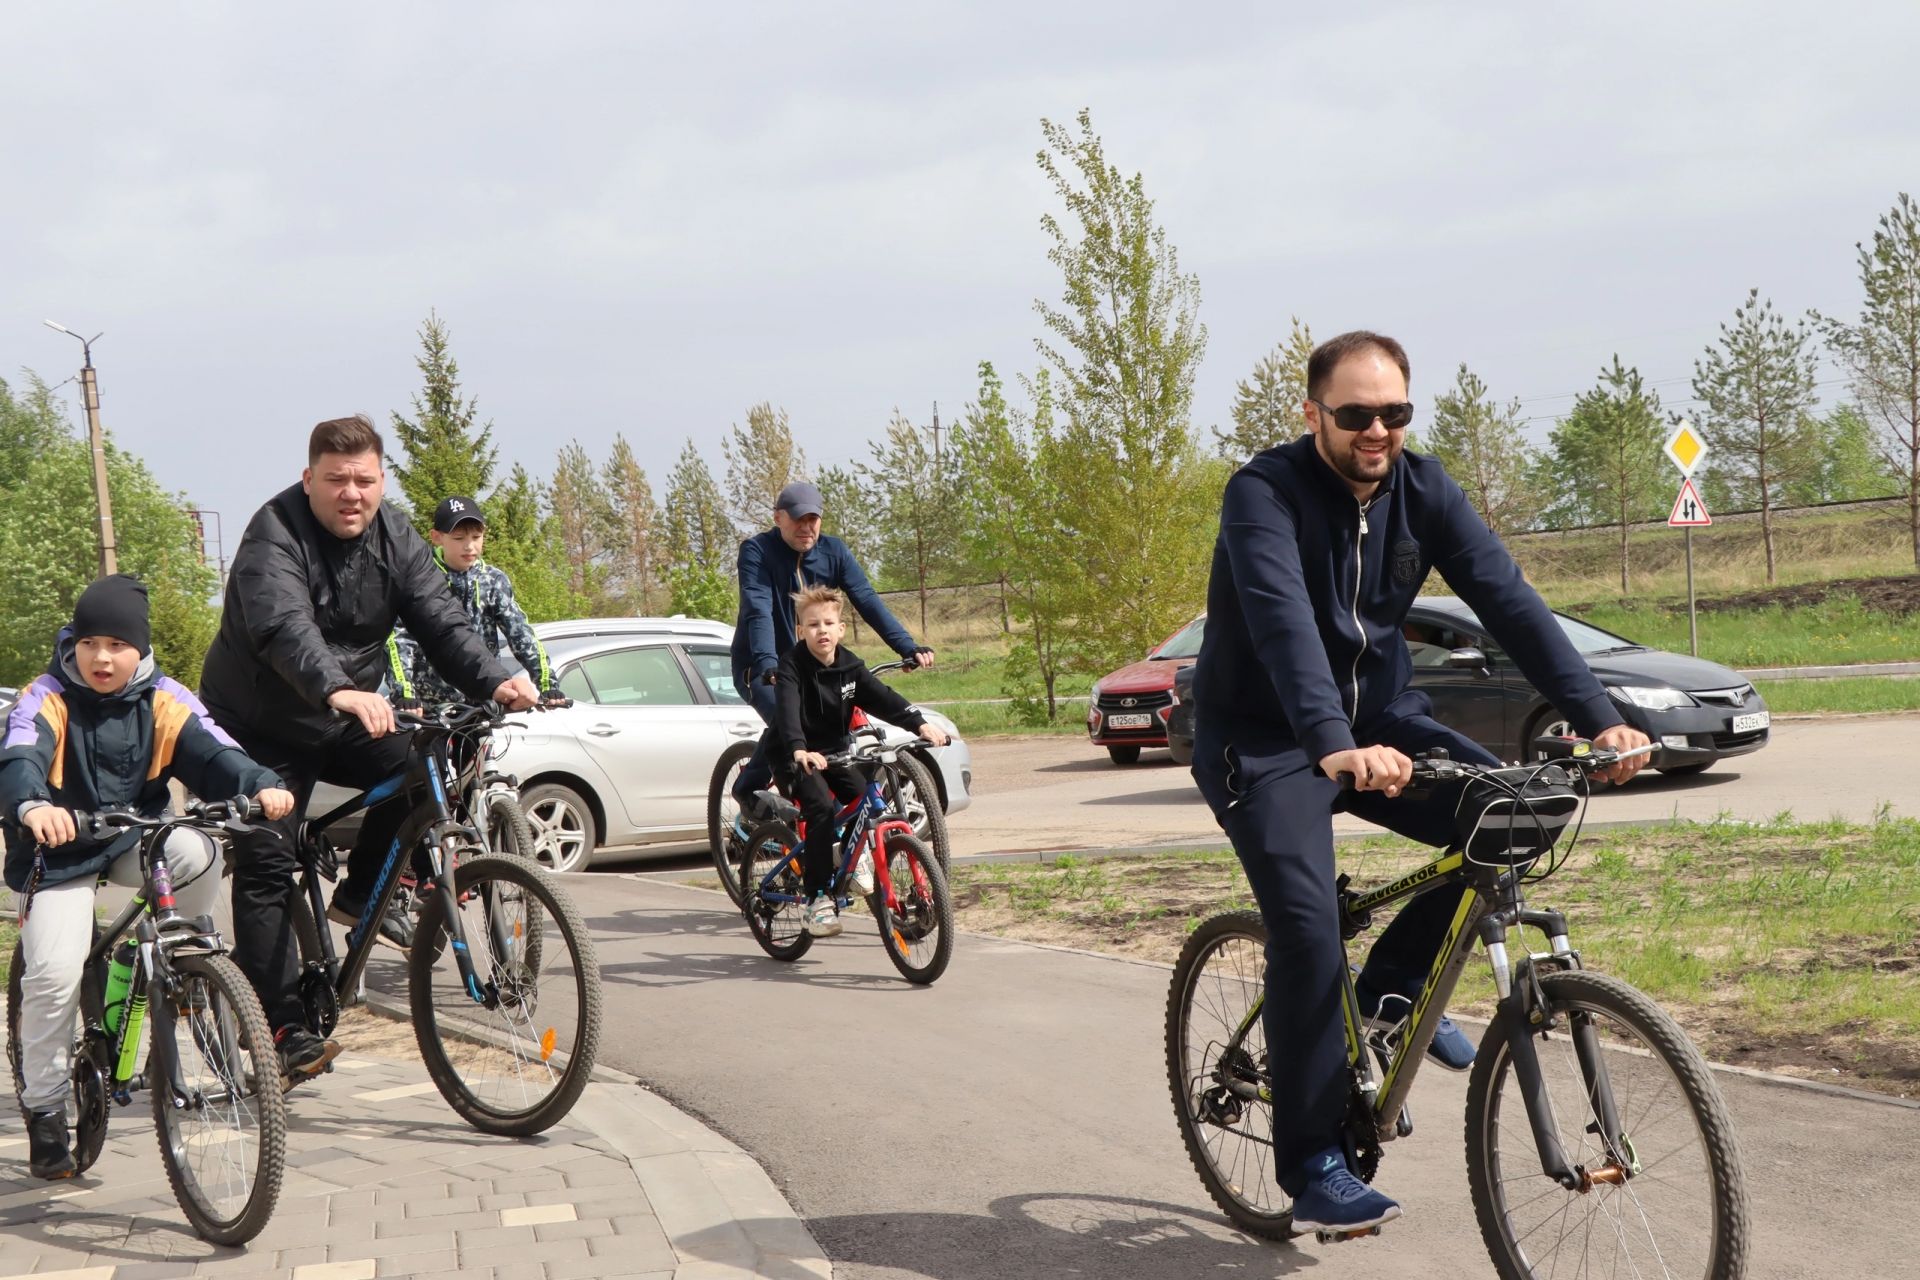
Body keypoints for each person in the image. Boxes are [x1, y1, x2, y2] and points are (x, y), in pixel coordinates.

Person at [1189, 331, 1650, 1237]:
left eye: (1394, 413)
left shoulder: (1423, 487)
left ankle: (1388, 993)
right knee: (1309, 927)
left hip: (1381, 721)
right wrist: (1329, 742)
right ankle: (1315, 1159)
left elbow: (1509, 600)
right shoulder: (1263, 494)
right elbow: (1283, 627)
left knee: (1521, 813)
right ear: (1312, 412)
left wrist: (1599, 714)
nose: (1377, 432)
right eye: (1356, 414)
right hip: (1267, 739)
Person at [199, 415, 539, 1082]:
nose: (350, 493)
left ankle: (358, 898)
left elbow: (440, 618)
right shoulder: (274, 536)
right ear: (310, 480)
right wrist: (337, 688)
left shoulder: (395, 536)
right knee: (269, 858)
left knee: (429, 763)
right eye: (336, 480)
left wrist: (497, 676)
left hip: (342, 710)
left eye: (364, 480)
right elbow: (283, 626)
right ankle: (285, 1028)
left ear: (381, 481)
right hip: (260, 723)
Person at [3, 575, 294, 1179]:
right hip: (58, 851)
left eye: (116, 643)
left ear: (140, 648)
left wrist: (260, 783)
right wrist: (34, 806)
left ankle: (163, 958)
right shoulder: (46, 696)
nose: (101, 657)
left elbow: (216, 751)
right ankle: (47, 1108)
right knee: (54, 974)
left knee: (199, 851)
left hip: (137, 834)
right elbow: (19, 754)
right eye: (89, 642)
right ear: (74, 644)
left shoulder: (165, 697)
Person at [729, 480, 935, 811]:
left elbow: (866, 599)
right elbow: (758, 610)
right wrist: (768, 662)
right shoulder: (757, 552)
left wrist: (906, 647)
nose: (807, 527)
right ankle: (748, 788)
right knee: (789, 718)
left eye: (813, 519)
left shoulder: (833, 551)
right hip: (762, 666)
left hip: (818, 665)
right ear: (779, 517)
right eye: (798, 519)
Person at [771, 585, 949, 937]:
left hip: (836, 752)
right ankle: (817, 898)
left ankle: (849, 862)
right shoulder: (791, 666)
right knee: (821, 808)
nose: (821, 630)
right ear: (801, 631)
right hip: (796, 755)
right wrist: (799, 749)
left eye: (828, 623)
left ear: (840, 629)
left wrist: (921, 723)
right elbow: (788, 711)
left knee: (865, 798)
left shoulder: (850, 666)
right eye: (812, 625)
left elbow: (884, 698)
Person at [385, 495, 560, 705]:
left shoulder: (493, 580)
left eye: (476, 537)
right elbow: (399, 639)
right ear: (436, 537)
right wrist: (403, 693)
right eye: (459, 538)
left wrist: (547, 684)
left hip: (485, 701)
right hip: (432, 705)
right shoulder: (420, 578)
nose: (469, 546)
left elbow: (521, 634)